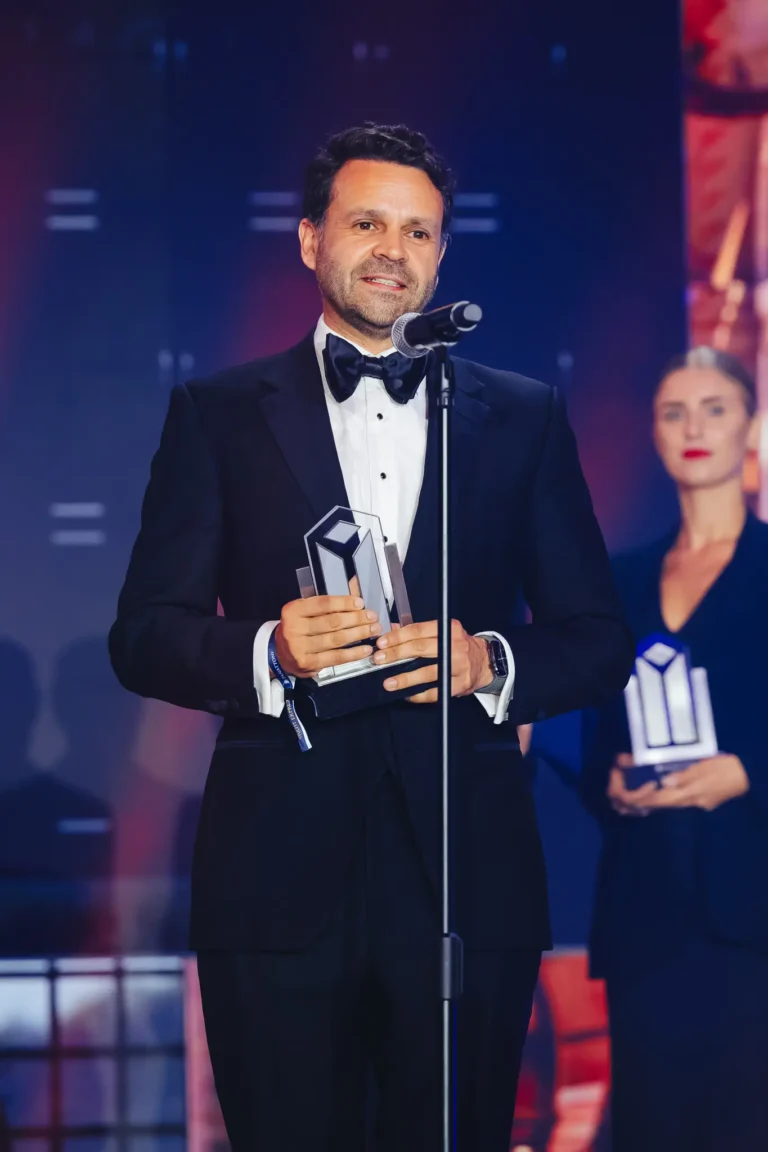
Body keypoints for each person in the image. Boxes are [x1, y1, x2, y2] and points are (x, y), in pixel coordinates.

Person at [109, 122, 633, 1152]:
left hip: (464, 878)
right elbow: (145, 634)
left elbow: (596, 638)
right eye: (366, 224)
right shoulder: (218, 414)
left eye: (418, 231)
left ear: (441, 254)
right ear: (311, 239)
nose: (394, 250)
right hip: (273, 879)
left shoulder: (522, 417)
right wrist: (266, 650)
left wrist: (489, 661)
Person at [582, 346, 768, 1151]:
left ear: (751, 427)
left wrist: (749, 771)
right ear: (655, 434)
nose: (694, 428)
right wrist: (612, 781)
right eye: (673, 412)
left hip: (754, 915)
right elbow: (591, 735)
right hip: (647, 913)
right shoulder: (617, 582)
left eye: (714, 409)